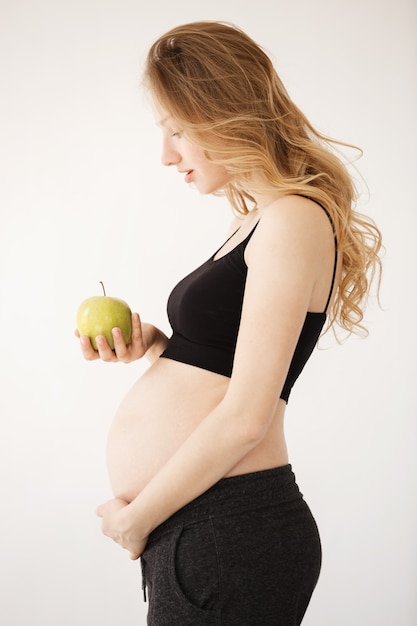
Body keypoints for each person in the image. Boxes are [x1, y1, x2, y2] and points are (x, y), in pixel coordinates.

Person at [76, 21, 382, 625]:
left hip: (230, 527)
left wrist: (137, 521)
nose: (167, 155)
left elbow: (247, 416)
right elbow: (226, 365)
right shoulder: (261, 219)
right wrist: (160, 348)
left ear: (225, 116)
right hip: (209, 525)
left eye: (178, 131)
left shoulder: (293, 219)